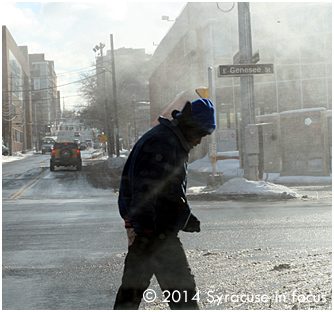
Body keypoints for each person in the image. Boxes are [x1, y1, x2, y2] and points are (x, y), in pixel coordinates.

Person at [114, 98, 216, 310]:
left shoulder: (170, 139)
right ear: (190, 127)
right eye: (200, 134)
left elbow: (168, 188)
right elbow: (146, 188)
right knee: (182, 293)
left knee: (131, 292)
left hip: (151, 228)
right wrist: (145, 232)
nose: (199, 141)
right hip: (154, 231)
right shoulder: (164, 143)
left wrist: (186, 218)